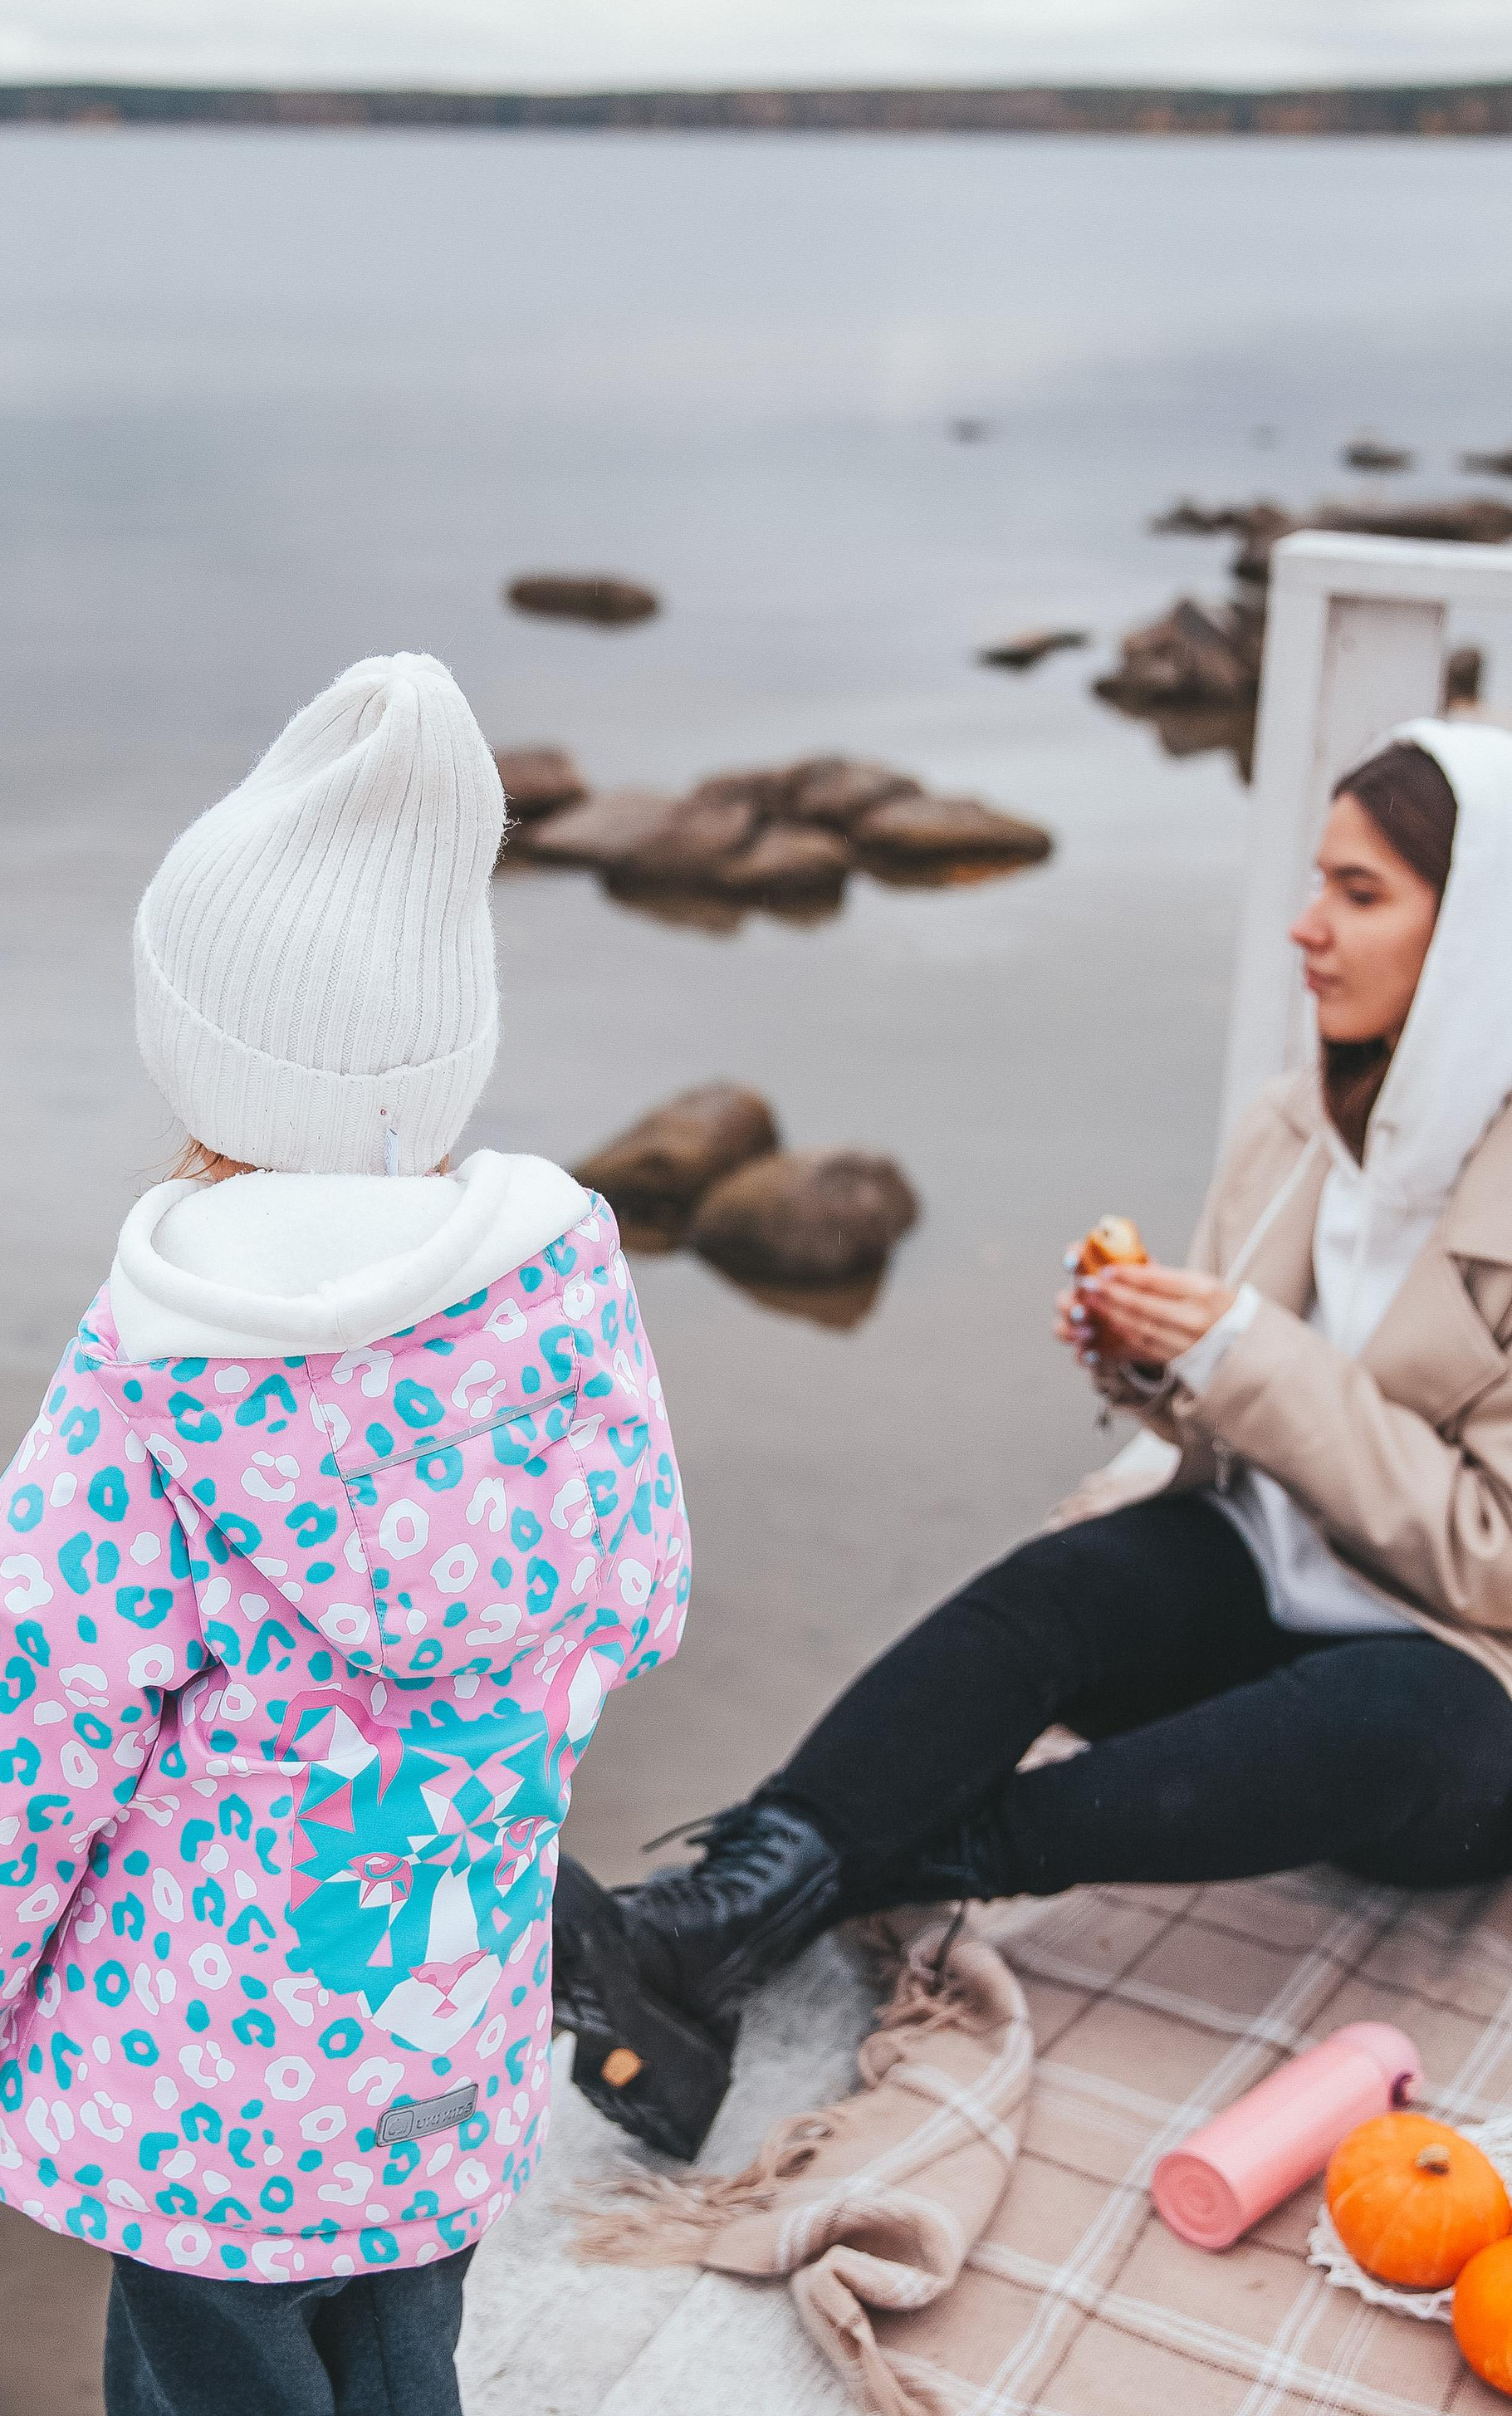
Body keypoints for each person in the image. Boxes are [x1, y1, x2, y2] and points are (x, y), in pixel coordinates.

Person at [0, 653, 688, 2416]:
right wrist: (481, 1755)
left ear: (192, 1050)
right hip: (443, 1965)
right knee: (399, 2321)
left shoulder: (159, 1376)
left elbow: (20, 1735)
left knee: (212, 2370)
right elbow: (637, 1593)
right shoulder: (554, 1295)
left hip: (207, 2041)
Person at [555, 720, 1512, 2164]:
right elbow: (1238, 1430)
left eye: (1363, 894)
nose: (1308, 930)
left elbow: (1491, 1560)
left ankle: (876, 1877)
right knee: (1060, 1589)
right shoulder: (1299, 1120)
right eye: (1316, 881)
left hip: (1456, 1697)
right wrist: (1154, 1369)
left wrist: (1246, 1355)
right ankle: (704, 1924)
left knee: (1394, 1717)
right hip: (1271, 1582)